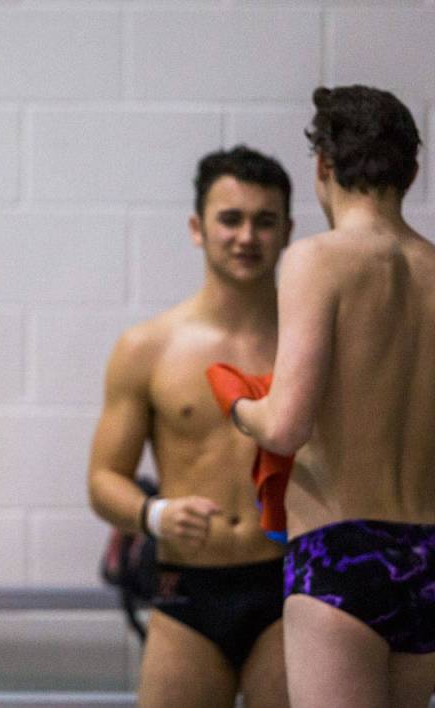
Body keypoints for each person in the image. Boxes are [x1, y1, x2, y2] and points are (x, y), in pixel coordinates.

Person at [223, 85, 435, 707]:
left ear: (323, 166)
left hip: (342, 555)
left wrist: (238, 405)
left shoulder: (318, 258)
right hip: (428, 553)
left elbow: (285, 424)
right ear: (412, 171)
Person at [88, 146, 293, 707]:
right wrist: (154, 515)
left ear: (288, 231)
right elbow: (104, 481)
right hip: (189, 589)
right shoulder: (148, 348)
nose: (247, 236)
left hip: (289, 585)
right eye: (231, 218)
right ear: (198, 228)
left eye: (264, 221)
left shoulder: (311, 344)